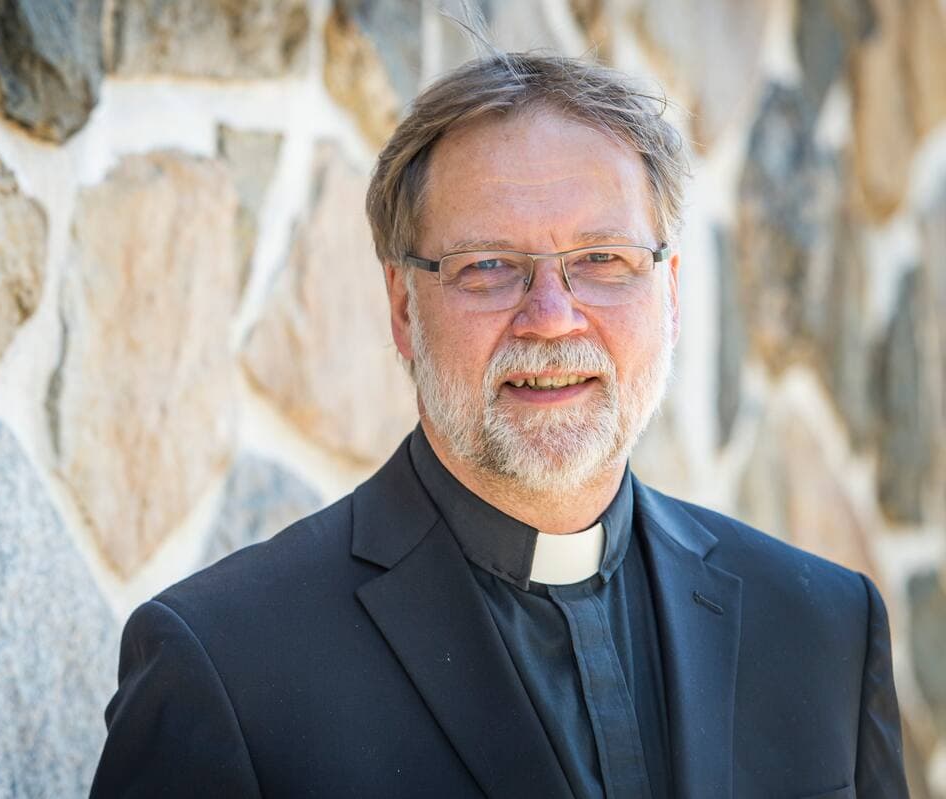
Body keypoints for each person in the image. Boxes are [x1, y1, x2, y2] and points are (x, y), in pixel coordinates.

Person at [90, 52, 908, 798]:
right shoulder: (229, 667)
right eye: (488, 266)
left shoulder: (824, 630)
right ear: (403, 308)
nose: (552, 318)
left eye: (601, 260)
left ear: (671, 295)